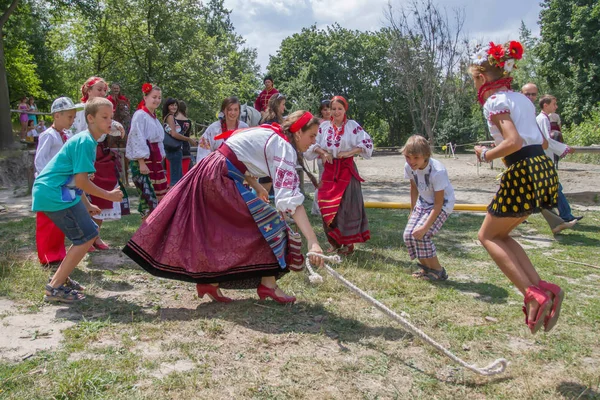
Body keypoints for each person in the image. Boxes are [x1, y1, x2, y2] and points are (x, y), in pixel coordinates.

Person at [123, 111, 325, 304]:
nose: (314, 141)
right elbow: (292, 202)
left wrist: (256, 187)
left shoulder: (272, 134)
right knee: (268, 224)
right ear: (298, 132)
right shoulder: (283, 145)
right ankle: (267, 284)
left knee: (224, 230)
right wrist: (313, 241)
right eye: (312, 135)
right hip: (219, 175)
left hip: (216, 170)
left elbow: (239, 154)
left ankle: (210, 282)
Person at [471, 41, 564, 334]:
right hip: (542, 170)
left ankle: (532, 294)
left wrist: (486, 154)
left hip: (522, 170)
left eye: (474, 78)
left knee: (486, 236)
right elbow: (543, 142)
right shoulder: (522, 99)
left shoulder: (495, 101)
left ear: (483, 76)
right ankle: (543, 288)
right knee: (502, 235)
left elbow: (514, 142)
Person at [32, 97, 124, 303]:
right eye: (104, 117)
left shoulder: (87, 140)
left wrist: (88, 204)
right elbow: (82, 182)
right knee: (86, 236)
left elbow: (75, 180)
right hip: (53, 193)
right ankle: (55, 287)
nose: (110, 121)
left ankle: (59, 279)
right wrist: (108, 195)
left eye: (111, 117)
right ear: (90, 118)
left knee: (89, 234)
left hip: (61, 192)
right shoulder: (85, 142)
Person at [305, 95, 373, 255]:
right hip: (329, 170)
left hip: (346, 170)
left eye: (339, 109)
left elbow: (367, 143)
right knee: (324, 203)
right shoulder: (323, 127)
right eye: (333, 109)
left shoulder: (352, 126)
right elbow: (311, 144)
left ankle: (347, 243)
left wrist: (349, 152)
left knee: (345, 207)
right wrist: (322, 152)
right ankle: (334, 242)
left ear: (345, 110)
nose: (335, 112)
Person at [72, 76, 126, 251]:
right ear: (88, 91)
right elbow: (75, 134)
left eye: (105, 90)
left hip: (101, 154)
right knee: (84, 196)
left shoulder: (104, 110)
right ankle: (84, 238)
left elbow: (110, 125)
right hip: (84, 153)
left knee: (102, 196)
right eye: (99, 89)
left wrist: (117, 127)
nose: (103, 93)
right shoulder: (79, 110)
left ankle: (95, 235)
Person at [521, 83, 583, 233]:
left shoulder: (536, 115)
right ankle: (563, 217)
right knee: (548, 188)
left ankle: (561, 218)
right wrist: (564, 148)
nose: (530, 97)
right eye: (527, 94)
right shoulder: (539, 118)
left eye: (533, 94)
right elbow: (544, 142)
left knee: (544, 189)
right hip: (533, 158)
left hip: (536, 158)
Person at [34, 97, 82, 267]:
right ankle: (47, 256)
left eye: (73, 117)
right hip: (49, 185)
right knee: (47, 222)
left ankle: (58, 253)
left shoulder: (67, 135)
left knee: (60, 221)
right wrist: (49, 179)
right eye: (69, 117)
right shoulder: (48, 136)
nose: (72, 120)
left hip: (62, 183)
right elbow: (40, 161)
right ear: (56, 115)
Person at [402, 135, 455, 281]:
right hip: (423, 203)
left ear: (426, 155)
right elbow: (414, 187)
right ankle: (426, 268)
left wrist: (425, 227)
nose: (411, 162)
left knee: (423, 235)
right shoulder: (409, 167)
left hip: (442, 205)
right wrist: (412, 210)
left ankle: (438, 270)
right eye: (408, 157)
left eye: (416, 158)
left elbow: (438, 204)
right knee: (409, 235)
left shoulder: (437, 171)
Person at [125, 83, 167, 219]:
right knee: (147, 196)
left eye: (159, 98)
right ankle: (145, 230)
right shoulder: (140, 115)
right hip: (144, 161)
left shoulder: (153, 117)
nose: (157, 100)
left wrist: (161, 158)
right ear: (145, 97)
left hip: (155, 160)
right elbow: (137, 138)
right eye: (154, 97)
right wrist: (141, 162)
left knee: (159, 195)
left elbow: (159, 140)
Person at [196, 96, 249, 163]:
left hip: (240, 169)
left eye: (236, 110)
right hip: (217, 167)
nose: (233, 113)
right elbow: (203, 152)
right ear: (224, 111)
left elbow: (249, 151)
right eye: (230, 109)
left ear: (239, 111)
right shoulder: (213, 129)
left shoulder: (244, 128)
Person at [162, 97, 197, 186]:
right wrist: (188, 139)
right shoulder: (170, 117)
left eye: (175, 105)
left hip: (172, 150)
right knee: (176, 181)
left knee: (175, 178)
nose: (174, 107)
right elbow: (174, 134)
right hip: (174, 149)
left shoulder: (168, 117)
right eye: (171, 105)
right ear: (167, 106)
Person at [259, 94, 287, 193]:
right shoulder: (271, 120)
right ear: (277, 105)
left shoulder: (269, 118)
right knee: (264, 192)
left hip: (270, 158)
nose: (284, 107)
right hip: (270, 158)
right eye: (283, 104)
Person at [311, 100, 332, 216]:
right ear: (321, 111)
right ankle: (317, 208)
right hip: (322, 158)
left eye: (329, 109)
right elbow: (314, 142)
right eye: (325, 109)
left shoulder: (336, 122)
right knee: (322, 183)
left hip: (334, 158)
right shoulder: (319, 124)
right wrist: (323, 153)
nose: (328, 111)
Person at [107, 82, 131, 147]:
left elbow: (127, 106)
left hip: (122, 116)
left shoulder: (123, 98)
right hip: (112, 116)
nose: (116, 90)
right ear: (111, 89)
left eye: (117, 88)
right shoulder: (108, 99)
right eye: (114, 88)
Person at [175, 100, 194, 176]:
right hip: (185, 148)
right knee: (185, 174)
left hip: (174, 148)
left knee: (174, 174)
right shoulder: (188, 121)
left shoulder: (172, 120)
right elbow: (187, 135)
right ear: (185, 109)